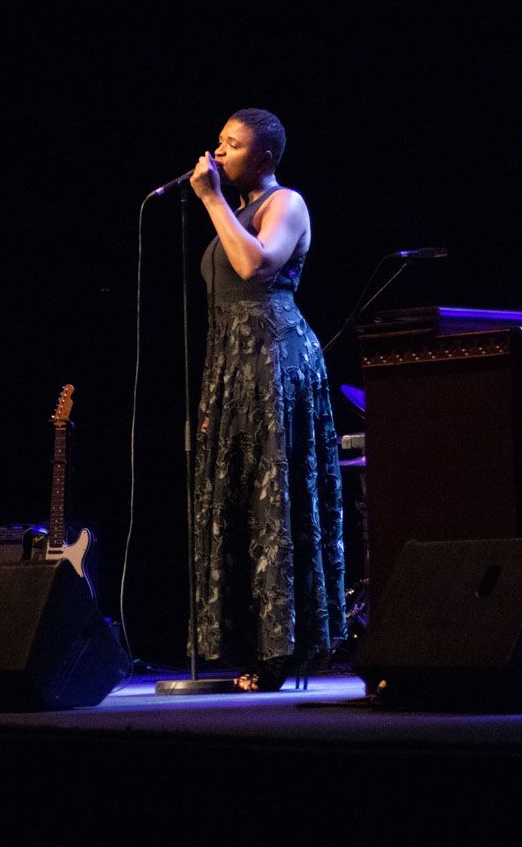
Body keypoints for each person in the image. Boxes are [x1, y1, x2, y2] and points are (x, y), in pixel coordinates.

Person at [187, 108, 346, 691]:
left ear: (266, 157)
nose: (218, 153)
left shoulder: (287, 203)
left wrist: (211, 201)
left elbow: (255, 265)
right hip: (230, 363)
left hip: (276, 357)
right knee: (236, 496)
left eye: (232, 145)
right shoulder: (233, 208)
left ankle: (286, 649)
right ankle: (247, 643)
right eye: (220, 142)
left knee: (273, 498)